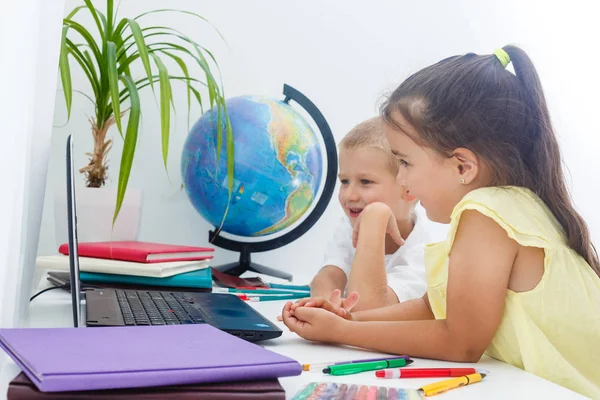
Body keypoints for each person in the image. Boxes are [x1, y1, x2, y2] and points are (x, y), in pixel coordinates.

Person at [280, 45, 600, 398]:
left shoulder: (487, 213)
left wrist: (341, 333)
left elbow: (461, 341)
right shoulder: (514, 206)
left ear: (463, 167)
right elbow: (436, 308)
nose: (402, 181)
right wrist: (346, 320)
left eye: (405, 162)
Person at [310, 117, 430, 311]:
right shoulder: (348, 226)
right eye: (345, 181)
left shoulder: (424, 252)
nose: (349, 195)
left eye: (365, 182)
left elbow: (369, 307)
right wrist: (325, 302)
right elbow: (330, 274)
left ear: (409, 189)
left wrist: (375, 216)